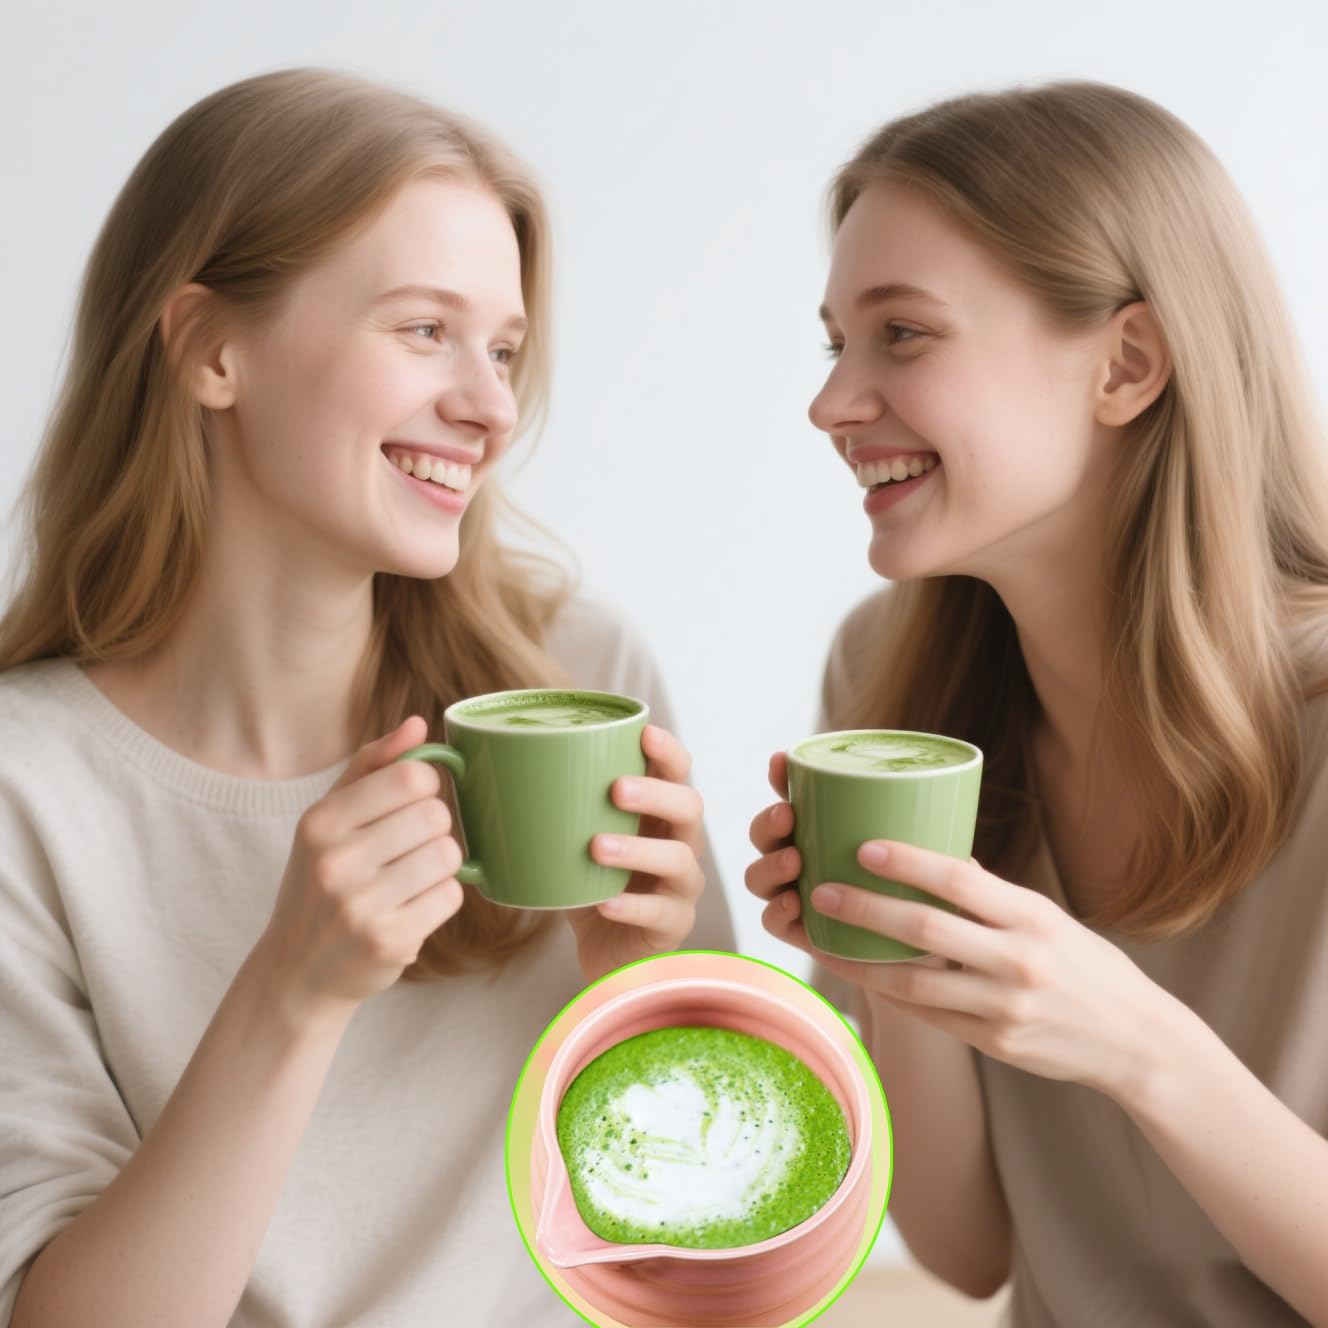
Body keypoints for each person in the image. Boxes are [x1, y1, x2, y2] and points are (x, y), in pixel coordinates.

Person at [0, 68, 733, 1327]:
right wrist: (292, 990)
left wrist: (642, 990)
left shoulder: (582, 686)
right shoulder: (31, 783)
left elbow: (719, 1245)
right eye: (422, 330)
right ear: (209, 347)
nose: (490, 405)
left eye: (502, 350)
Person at [746, 82, 1328, 1326]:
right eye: (834, 341)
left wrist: (1129, 1036)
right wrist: (889, 957)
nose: (831, 402)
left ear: (1125, 363)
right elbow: (967, 1250)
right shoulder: (886, 691)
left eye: (900, 334)